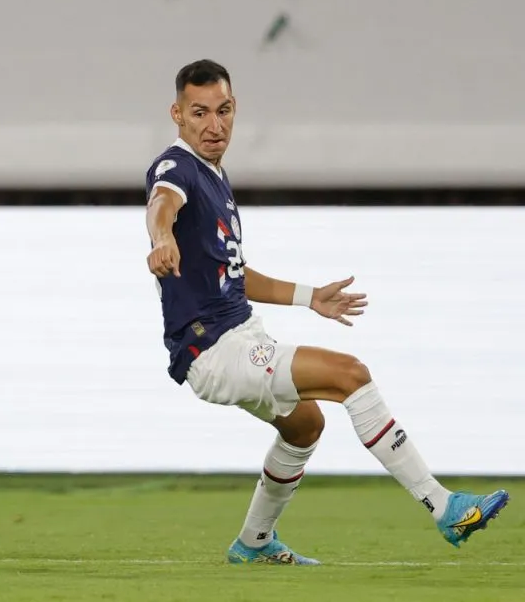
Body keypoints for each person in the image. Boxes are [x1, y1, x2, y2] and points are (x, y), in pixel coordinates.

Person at [144, 59, 507, 565]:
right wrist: (161, 237)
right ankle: (443, 505)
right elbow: (162, 203)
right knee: (350, 375)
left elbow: (235, 273)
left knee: (305, 426)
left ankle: (253, 544)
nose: (214, 124)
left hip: (239, 333)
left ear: (235, 110)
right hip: (213, 348)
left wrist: (309, 296)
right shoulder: (176, 168)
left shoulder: (215, 176)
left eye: (223, 111)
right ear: (177, 114)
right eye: (199, 112)